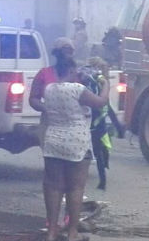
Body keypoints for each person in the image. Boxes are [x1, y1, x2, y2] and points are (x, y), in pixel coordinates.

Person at [42, 56, 109, 241]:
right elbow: (101, 102)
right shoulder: (77, 90)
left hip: (53, 141)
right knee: (75, 188)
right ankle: (72, 232)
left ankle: (52, 232)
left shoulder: (49, 89)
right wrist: (105, 83)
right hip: (76, 142)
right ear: (71, 71)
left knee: (53, 187)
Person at [79, 57, 125, 190]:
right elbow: (106, 107)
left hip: (96, 122)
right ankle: (99, 179)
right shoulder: (95, 84)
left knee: (99, 150)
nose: (107, 76)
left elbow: (107, 107)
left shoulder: (92, 82)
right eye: (105, 72)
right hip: (94, 122)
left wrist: (117, 126)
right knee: (97, 151)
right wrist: (118, 126)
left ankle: (102, 179)